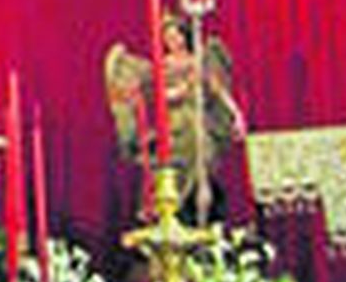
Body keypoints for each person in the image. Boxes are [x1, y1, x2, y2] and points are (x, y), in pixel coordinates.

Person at [104, 14, 246, 223]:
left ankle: (197, 207)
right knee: (170, 164)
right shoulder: (162, 65)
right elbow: (153, 94)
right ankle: (170, 207)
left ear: (183, 36)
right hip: (172, 122)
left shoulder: (198, 61)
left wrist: (236, 114)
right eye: (166, 37)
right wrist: (172, 93)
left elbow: (218, 90)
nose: (171, 41)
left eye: (175, 35)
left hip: (195, 118)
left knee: (203, 156)